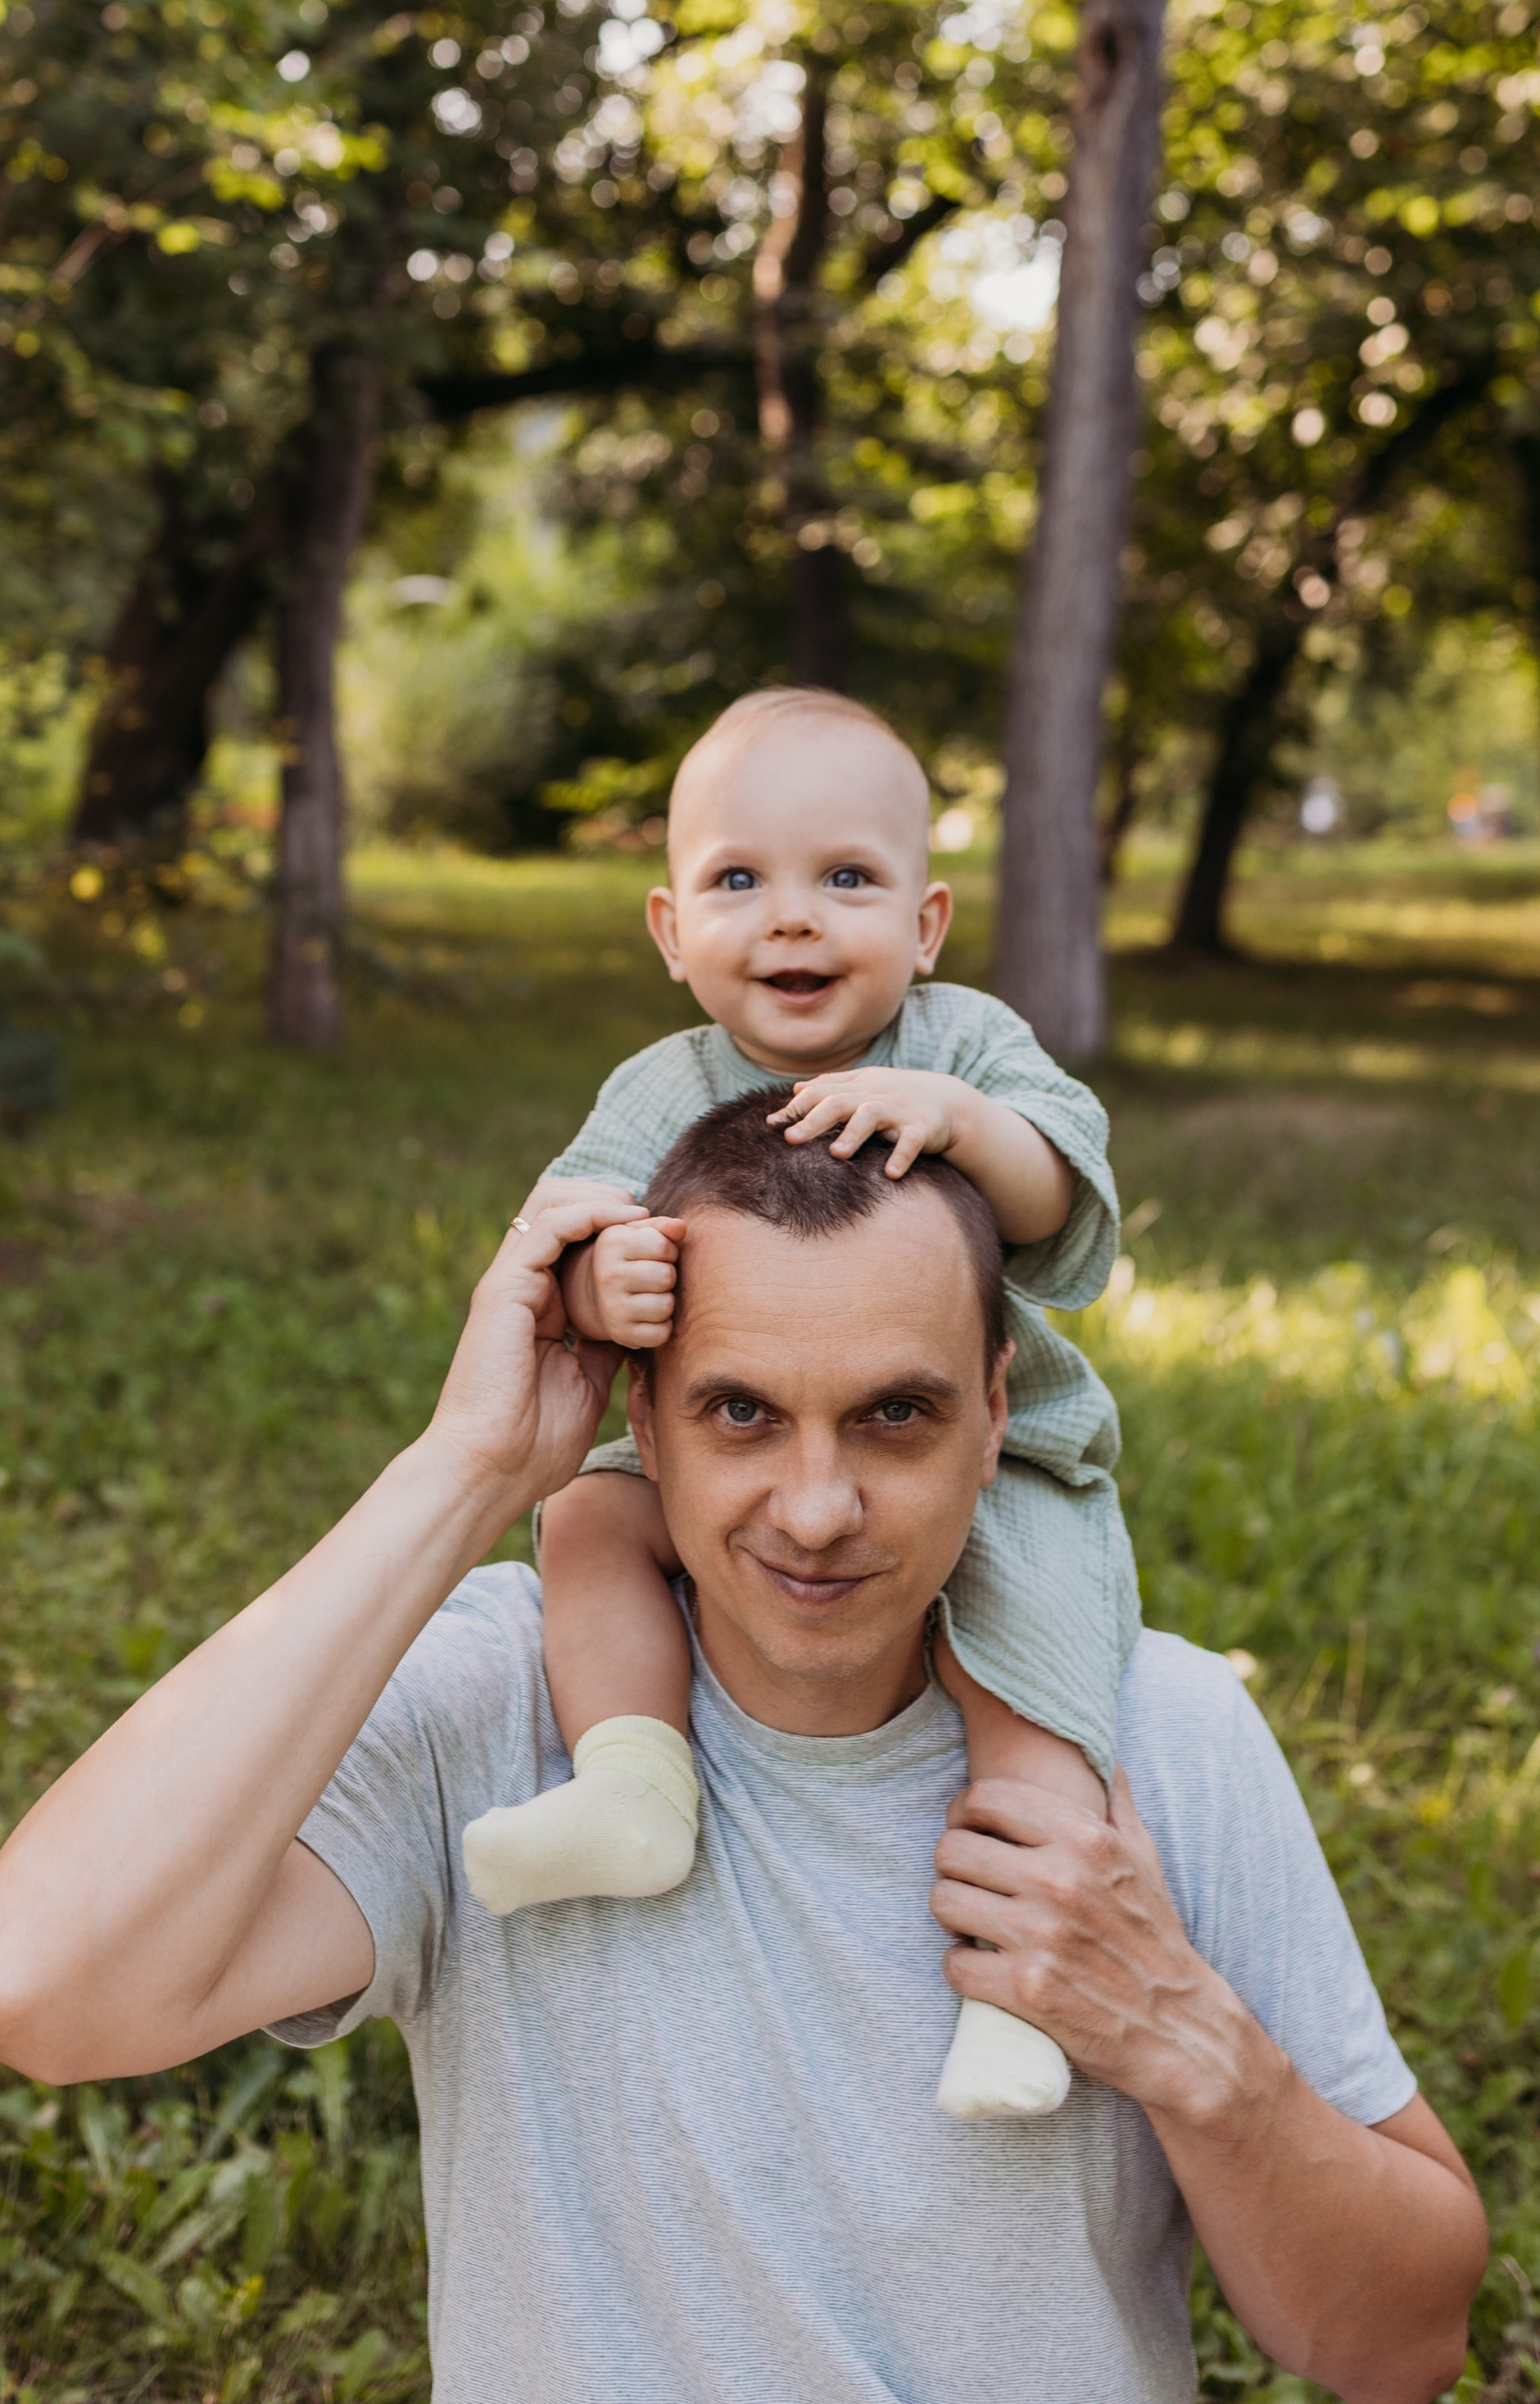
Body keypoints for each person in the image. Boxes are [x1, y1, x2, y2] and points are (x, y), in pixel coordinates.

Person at [0, 1107, 1488, 2404]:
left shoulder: (1155, 1732)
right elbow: (46, 1991)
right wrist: (465, 1464)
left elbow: (1402, 2343)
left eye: (896, 1415)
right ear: (645, 1420)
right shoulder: (503, 1698)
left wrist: (1190, 2049)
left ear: (1001, 1410)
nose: (817, 1509)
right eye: (742, 1413)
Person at [462, 684, 1137, 2121]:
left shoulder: (958, 1046)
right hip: (724, 1455)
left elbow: (1069, 1199)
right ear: (669, 932)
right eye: (738, 881)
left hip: (991, 1463)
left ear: (927, 922)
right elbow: (564, 1234)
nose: (793, 919)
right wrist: (602, 1291)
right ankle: (636, 1784)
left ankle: (1024, 1992)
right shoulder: (665, 1090)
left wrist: (961, 1127)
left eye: (847, 879)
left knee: (1033, 1695)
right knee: (584, 1521)